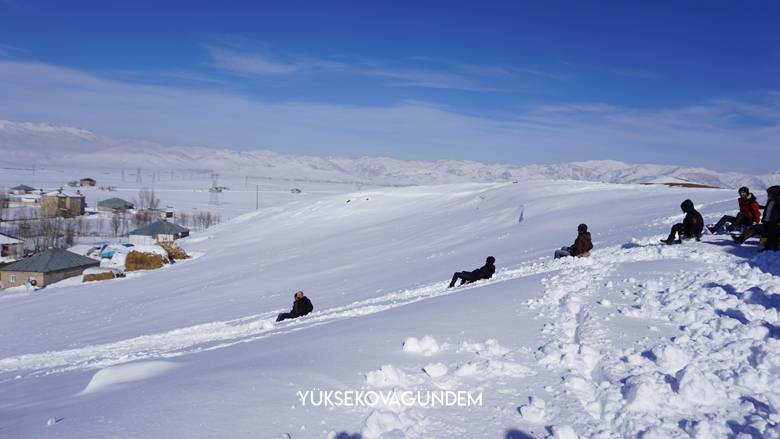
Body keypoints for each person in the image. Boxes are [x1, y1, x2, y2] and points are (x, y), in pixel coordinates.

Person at [733, 186, 780, 251]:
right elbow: (767, 212)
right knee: (755, 227)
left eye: (770, 193)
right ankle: (740, 239)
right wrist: (764, 220)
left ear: (775, 193)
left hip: (775, 225)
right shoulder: (770, 201)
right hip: (767, 223)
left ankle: (770, 248)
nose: (768, 195)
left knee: (771, 234)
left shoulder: (778, 203)